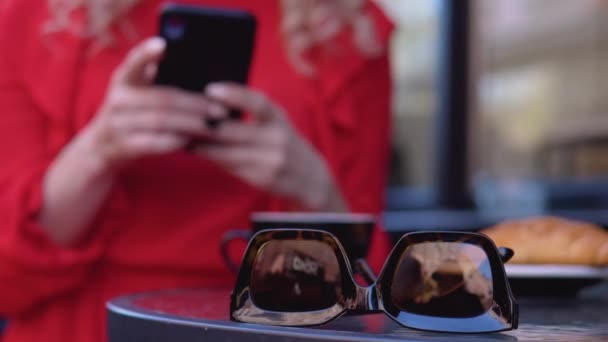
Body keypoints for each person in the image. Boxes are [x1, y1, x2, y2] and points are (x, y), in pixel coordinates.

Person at [0, 0, 393, 341]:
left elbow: (368, 295)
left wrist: (314, 187)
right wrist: (97, 152)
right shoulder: (36, 15)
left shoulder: (349, 28)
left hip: (269, 327)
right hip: (79, 326)